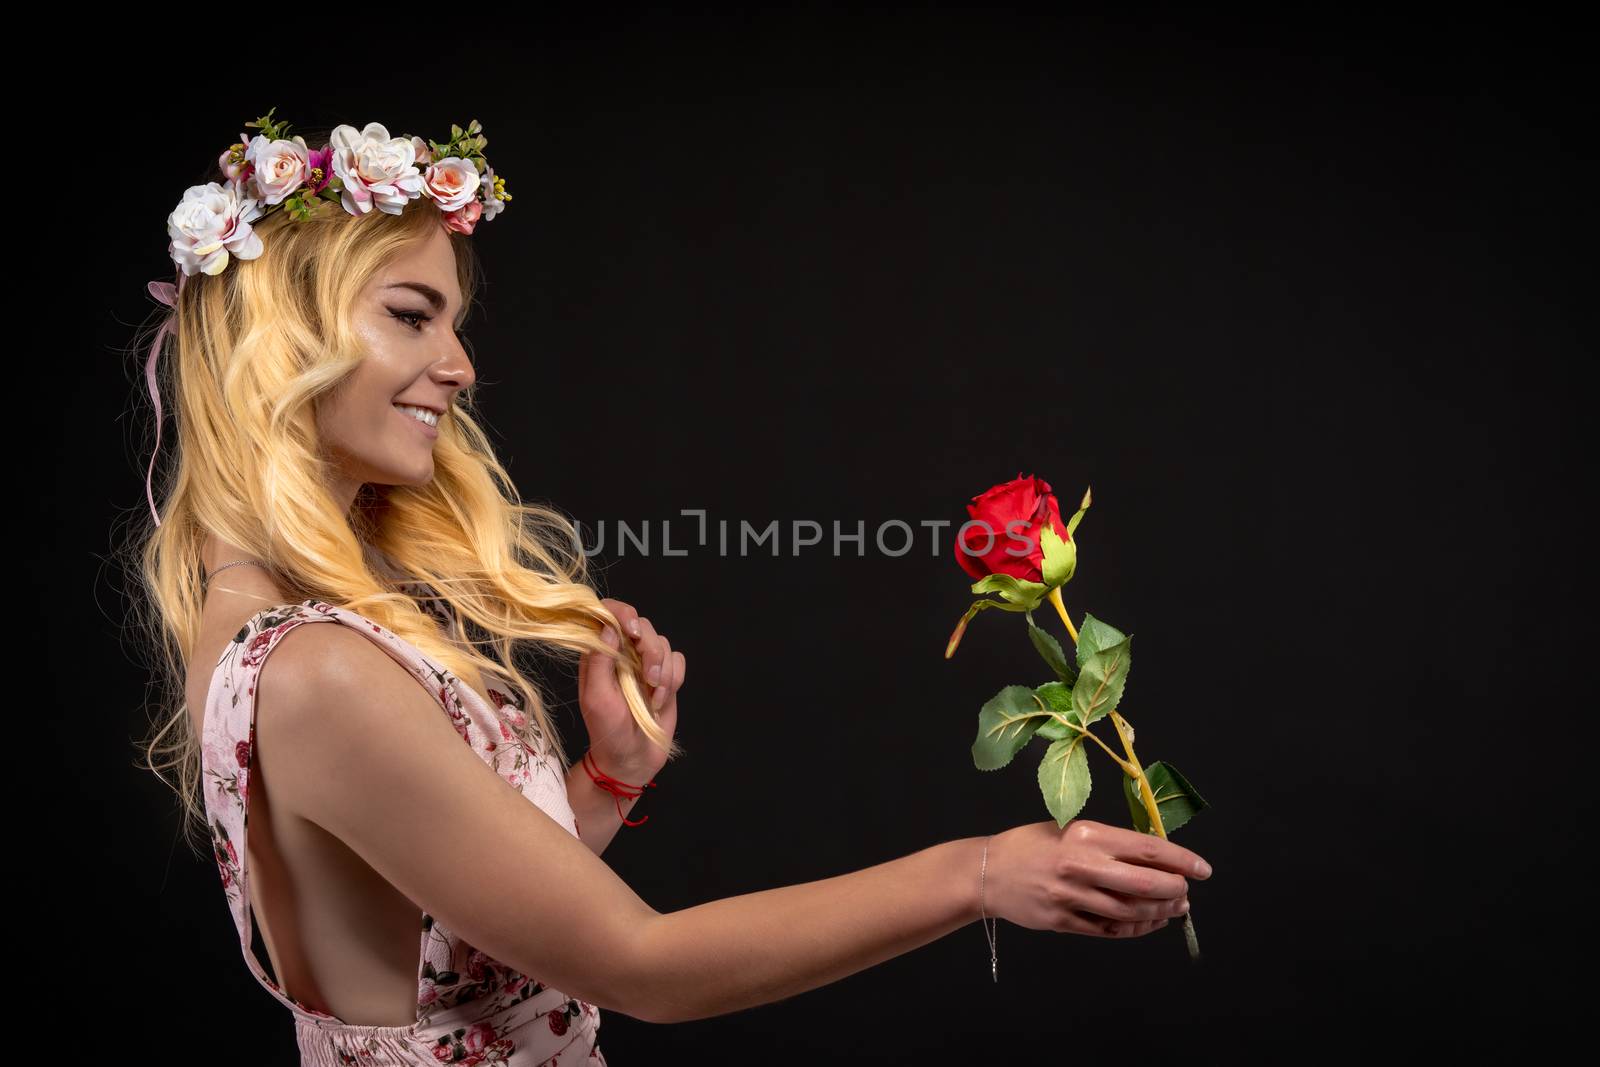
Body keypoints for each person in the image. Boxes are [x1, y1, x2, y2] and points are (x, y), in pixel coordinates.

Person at [131, 112, 1212, 1065]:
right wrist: (978, 871)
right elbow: (640, 964)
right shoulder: (319, 666)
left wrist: (604, 779)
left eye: (454, 323)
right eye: (413, 315)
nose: (460, 365)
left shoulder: (242, 616)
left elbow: (444, 943)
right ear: (283, 339)